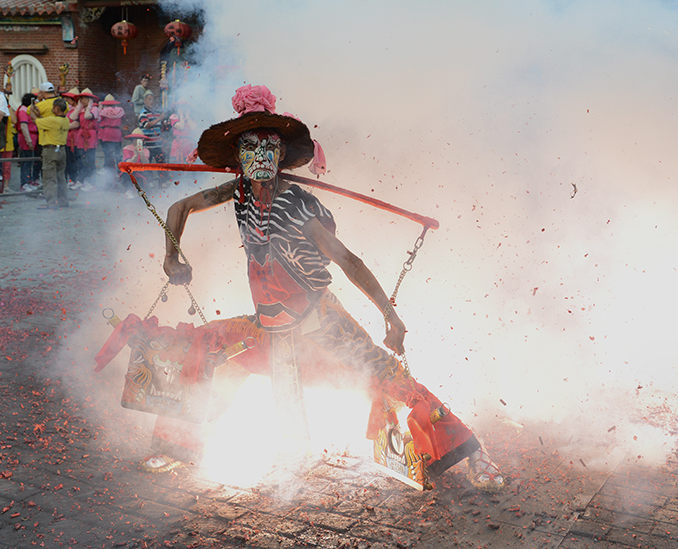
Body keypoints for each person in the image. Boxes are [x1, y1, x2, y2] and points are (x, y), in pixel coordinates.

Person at [136, 85, 504, 492]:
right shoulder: (236, 192)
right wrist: (171, 257)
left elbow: (348, 261)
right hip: (269, 324)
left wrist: (391, 316)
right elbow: (180, 207)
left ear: (281, 155)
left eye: (269, 148)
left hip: (319, 320)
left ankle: (471, 451)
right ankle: (180, 445)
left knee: (385, 374)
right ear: (238, 158)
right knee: (209, 347)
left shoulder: (298, 205)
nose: (260, 157)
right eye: (250, 148)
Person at [34, 97, 70, 209]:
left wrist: (33, 113)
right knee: (60, 177)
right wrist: (40, 116)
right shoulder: (65, 120)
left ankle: (51, 203)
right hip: (61, 150)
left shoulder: (53, 120)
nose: (52, 110)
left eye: (53, 108)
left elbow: (35, 121)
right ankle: (63, 201)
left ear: (57, 108)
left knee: (49, 178)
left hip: (50, 150)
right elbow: (46, 123)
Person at [138, 92, 169, 187]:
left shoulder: (157, 113)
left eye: (153, 100)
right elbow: (147, 125)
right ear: (145, 101)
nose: (152, 102)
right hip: (147, 145)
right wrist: (160, 118)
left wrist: (166, 122)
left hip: (158, 144)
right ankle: (149, 182)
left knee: (161, 163)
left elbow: (162, 127)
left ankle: (163, 182)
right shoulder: (143, 113)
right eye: (149, 100)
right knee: (148, 164)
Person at [98, 94, 125, 189]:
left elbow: (98, 119)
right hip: (117, 133)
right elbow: (124, 119)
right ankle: (120, 172)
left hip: (107, 133)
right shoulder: (120, 110)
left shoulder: (103, 111)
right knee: (117, 154)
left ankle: (109, 173)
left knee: (108, 155)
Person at [74, 89, 99, 191]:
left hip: (90, 136)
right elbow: (72, 117)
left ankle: (92, 183)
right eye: (81, 98)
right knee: (81, 159)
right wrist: (79, 106)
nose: (82, 100)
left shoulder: (94, 109)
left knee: (90, 160)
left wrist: (89, 106)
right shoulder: (81, 109)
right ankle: (81, 180)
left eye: (84, 98)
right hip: (81, 135)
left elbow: (87, 116)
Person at [16, 92, 40, 191]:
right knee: (26, 161)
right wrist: (29, 141)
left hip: (32, 136)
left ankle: (28, 181)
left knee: (30, 161)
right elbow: (24, 126)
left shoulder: (29, 111)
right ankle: (24, 183)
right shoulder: (23, 111)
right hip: (27, 137)